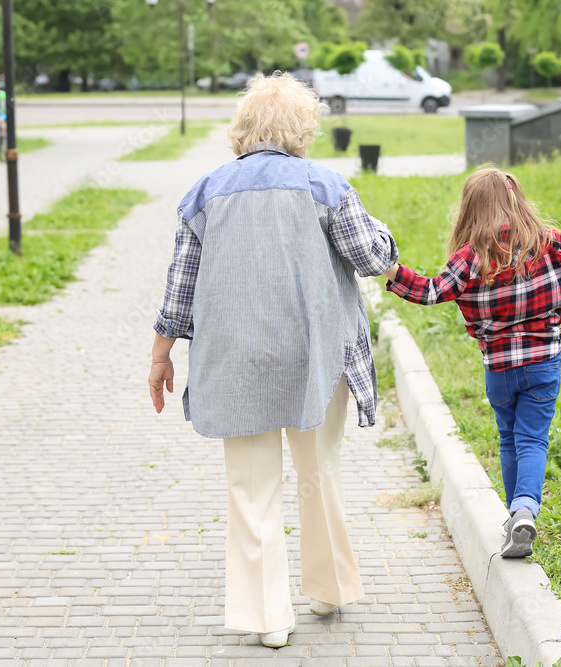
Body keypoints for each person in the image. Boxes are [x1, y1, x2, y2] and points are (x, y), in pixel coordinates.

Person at [148, 72, 398, 648]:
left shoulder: (204, 192)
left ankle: (267, 619)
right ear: (301, 131)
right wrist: (380, 226)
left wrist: (161, 355)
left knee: (250, 486)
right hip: (316, 357)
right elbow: (371, 257)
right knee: (318, 474)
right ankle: (329, 588)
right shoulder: (326, 185)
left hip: (234, 359)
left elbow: (179, 289)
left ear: (242, 131)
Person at [382, 167, 561, 558]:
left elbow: (430, 291)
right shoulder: (550, 243)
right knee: (533, 440)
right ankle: (525, 510)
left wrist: (389, 267)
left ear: (470, 211)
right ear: (517, 201)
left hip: (500, 370)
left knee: (509, 438)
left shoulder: (470, 259)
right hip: (544, 364)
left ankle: (514, 516)